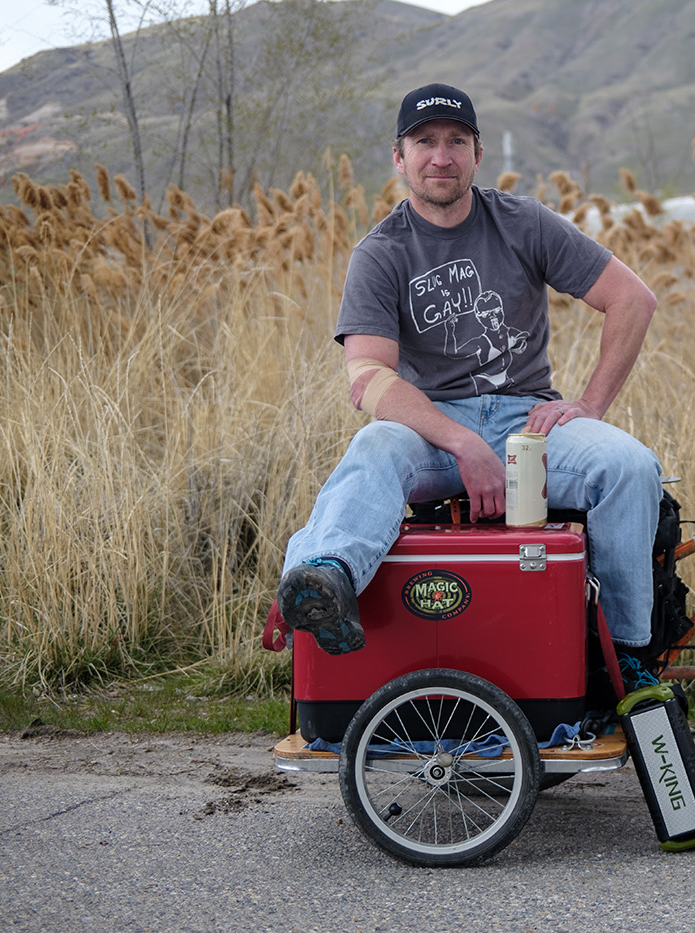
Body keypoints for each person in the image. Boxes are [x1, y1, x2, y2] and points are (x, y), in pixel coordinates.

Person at [277, 83, 663, 690]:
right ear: (398, 158)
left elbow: (632, 299)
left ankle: (627, 656)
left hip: (528, 425)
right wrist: (461, 441)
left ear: (477, 154)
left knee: (629, 466)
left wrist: (588, 405)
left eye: (456, 141)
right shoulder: (380, 253)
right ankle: (327, 578)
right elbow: (368, 379)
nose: (441, 156)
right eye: (424, 142)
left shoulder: (523, 222)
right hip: (430, 428)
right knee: (374, 448)